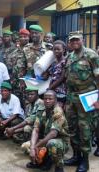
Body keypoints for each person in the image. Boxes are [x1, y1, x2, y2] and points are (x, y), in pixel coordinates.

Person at [64, 31, 99, 172]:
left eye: (77, 40)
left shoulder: (91, 55)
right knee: (72, 128)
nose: (74, 42)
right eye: (72, 41)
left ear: (82, 40)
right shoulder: (70, 56)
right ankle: (76, 156)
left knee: (84, 129)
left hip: (87, 98)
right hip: (72, 98)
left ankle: (85, 161)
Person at [25, 90, 69, 172]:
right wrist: (32, 147)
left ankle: (59, 167)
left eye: (50, 99)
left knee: (52, 144)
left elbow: (53, 133)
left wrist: (36, 146)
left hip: (60, 142)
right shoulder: (42, 110)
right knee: (27, 146)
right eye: (45, 99)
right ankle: (40, 162)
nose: (47, 101)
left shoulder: (58, 112)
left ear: (55, 100)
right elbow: (36, 129)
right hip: (46, 139)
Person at [42, 40, 67, 108]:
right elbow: (46, 76)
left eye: (58, 49)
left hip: (60, 92)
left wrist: (50, 88)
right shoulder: (53, 62)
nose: (56, 51)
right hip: (52, 91)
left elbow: (62, 78)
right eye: (54, 49)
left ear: (64, 50)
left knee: (58, 111)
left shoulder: (65, 62)